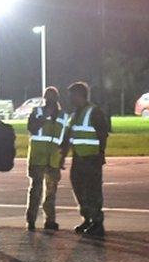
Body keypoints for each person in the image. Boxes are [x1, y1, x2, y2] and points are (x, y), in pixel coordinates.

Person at [62, 82, 110, 236]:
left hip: (91, 158)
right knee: (79, 189)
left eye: (72, 95)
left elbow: (103, 134)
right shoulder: (75, 114)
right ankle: (87, 219)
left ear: (79, 95)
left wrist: (100, 154)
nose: (70, 99)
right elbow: (69, 136)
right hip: (78, 158)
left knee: (93, 191)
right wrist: (63, 156)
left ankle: (97, 223)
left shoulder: (94, 112)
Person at [25, 86, 67, 231]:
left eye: (52, 98)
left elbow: (64, 138)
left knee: (51, 192)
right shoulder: (37, 112)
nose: (50, 101)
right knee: (35, 190)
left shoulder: (62, 116)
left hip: (53, 159)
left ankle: (50, 221)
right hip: (38, 158)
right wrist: (44, 117)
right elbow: (31, 128)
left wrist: (62, 157)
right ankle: (31, 220)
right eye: (48, 98)